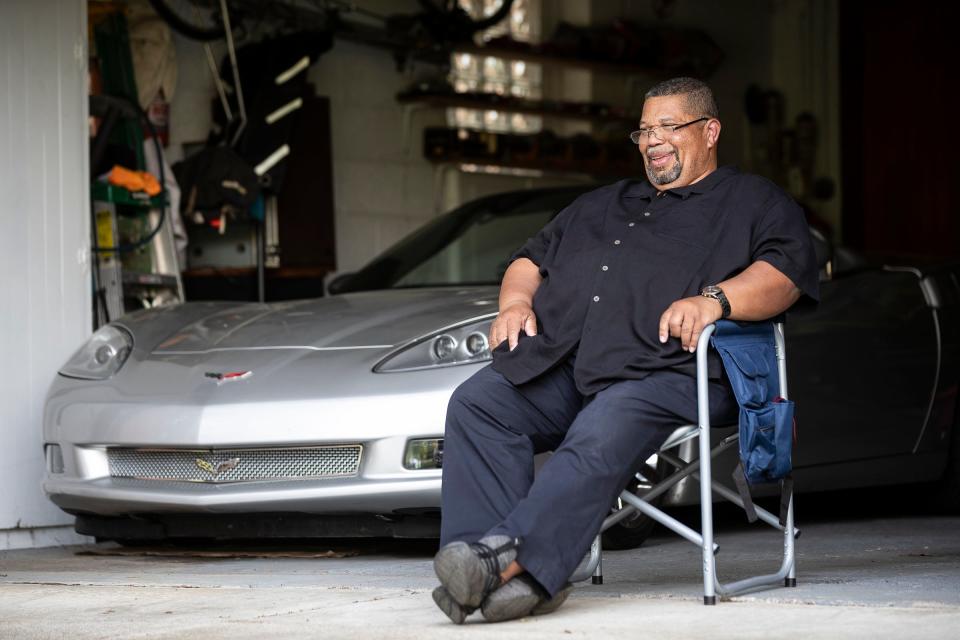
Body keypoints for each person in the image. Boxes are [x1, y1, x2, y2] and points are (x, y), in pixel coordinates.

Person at [430, 77, 819, 624]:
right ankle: (479, 564)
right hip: (570, 365)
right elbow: (529, 259)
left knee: (604, 423)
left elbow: (786, 275)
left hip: (669, 372)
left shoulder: (752, 200)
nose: (652, 139)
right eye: (644, 130)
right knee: (479, 403)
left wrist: (715, 300)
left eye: (668, 126)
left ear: (710, 132)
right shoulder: (602, 202)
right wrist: (515, 304)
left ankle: (507, 561)